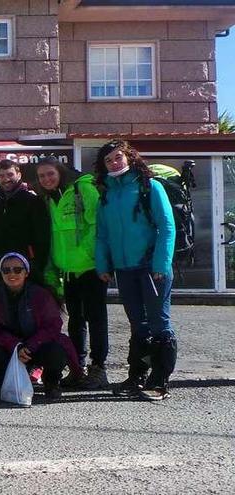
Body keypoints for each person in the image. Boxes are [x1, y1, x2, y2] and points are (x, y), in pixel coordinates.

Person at [94, 140, 177, 401]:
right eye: (109, 160)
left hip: (151, 267)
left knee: (159, 323)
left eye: (118, 157)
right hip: (124, 269)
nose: (114, 163)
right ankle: (137, 377)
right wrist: (103, 264)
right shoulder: (106, 194)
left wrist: (161, 264)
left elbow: (167, 227)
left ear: (129, 157)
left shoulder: (149, 186)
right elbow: (102, 234)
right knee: (137, 325)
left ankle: (160, 381)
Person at [36, 157, 109, 390]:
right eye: (42, 176)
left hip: (89, 267)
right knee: (76, 320)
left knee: (96, 318)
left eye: (50, 173)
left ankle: (99, 368)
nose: (46, 179)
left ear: (60, 172)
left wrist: (87, 254)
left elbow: (98, 224)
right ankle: (79, 367)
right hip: (67, 270)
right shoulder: (51, 198)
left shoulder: (82, 188)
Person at [0, 253, 82, 401]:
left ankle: (52, 381)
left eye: (17, 269)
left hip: (37, 345)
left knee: (56, 351)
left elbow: (53, 326)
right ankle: (5, 380)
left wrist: (30, 346)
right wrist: (16, 345)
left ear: (26, 272)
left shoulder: (41, 295)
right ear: (1, 273)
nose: (11, 274)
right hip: (10, 346)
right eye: (6, 270)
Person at [0, 160, 50, 284]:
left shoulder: (33, 200)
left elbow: (42, 237)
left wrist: (36, 264)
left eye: (10, 175)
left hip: (27, 267)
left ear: (19, 175)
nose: (6, 179)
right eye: (1, 176)